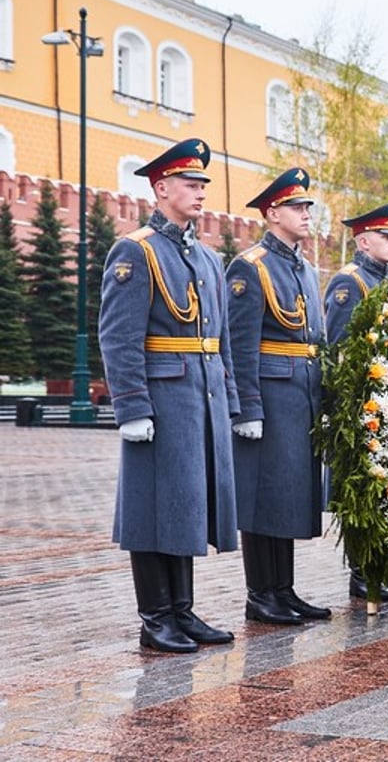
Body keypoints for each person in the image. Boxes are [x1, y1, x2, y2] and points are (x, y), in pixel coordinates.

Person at [99, 138, 239, 653]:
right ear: (160, 189)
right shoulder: (136, 250)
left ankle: (181, 610)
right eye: (189, 183)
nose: (200, 191)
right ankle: (155, 615)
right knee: (152, 507)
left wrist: (227, 401)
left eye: (202, 184)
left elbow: (219, 339)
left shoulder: (205, 256)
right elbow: (118, 335)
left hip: (199, 397)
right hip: (160, 398)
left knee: (185, 505)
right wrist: (132, 405)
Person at [227, 168, 330, 625]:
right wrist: (247, 407)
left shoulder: (305, 268)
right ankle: (260, 593)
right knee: (263, 496)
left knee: (289, 494)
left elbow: (315, 337)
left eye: (307, 207)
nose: (306, 214)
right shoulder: (250, 267)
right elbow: (240, 343)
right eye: (296, 207)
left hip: (301, 393)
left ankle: (283, 590)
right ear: (272, 214)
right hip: (269, 394)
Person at [323, 202, 388, 601]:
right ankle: (362, 574)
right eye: (386, 237)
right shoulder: (349, 283)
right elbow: (338, 349)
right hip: (361, 406)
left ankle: (385, 566)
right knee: (363, 491)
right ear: (364, 240)